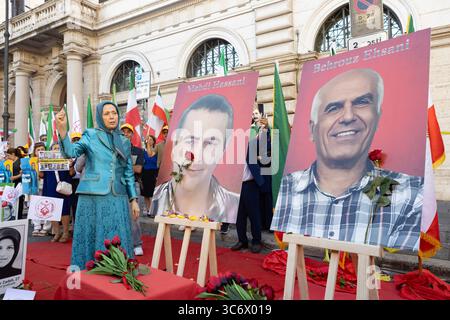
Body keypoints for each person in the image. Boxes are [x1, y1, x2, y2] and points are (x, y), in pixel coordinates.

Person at [271, 68, 423, 250]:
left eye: (361, 102)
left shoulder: (412, 196)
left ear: (377, 117)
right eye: (333, 108)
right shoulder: (286, 189)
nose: (349, 117)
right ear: (312, 129)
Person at [55, 101, 139, 269]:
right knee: (92, 234)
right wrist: (63, 131)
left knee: (116, 234)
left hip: (118, 195)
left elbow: (128, 172)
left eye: (114, 113)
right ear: (100, 117)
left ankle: (116, 268)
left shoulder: (124, 141)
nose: (111, 116)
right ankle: (91, 268)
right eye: (107, 113)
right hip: (92, 195)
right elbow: (70, 153)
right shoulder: (90, 135)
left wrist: (133, 199)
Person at [149, 94, 240, 223]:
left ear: (223, 150)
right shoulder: (158, 199)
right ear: (175, 145)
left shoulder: (233, 206)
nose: (196, 156)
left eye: (209, 143)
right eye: (190, 140)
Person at [231, 114, 272, 253]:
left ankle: (256, 241)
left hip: (250, 184)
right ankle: (242, 240)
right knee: (239, 216)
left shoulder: (252, 142)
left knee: (254, 214)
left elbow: (263, 141)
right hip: (236, 186)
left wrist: (265, 128)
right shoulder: (232, 146)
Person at [120, 123, 145, 256]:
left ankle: (137, 244)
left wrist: (124, 166)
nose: (125, 133)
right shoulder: (115, 150)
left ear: (132, 134)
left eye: (128, 131)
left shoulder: (138, 151)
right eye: (123, 131)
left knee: (134, 216)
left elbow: (138, 169)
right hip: (118, 186)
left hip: (133, 186)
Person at [41, 143, 73, 243]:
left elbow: (72, 174)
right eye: (54, 148)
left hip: (63, 187)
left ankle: (66, 232)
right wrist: (39, 164)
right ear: (50, 151)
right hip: (49, 186)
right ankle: (57, 232)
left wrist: (71, 165)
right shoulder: (46, 160)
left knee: (64, 209)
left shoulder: (66, 159)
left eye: (59, 148)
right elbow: (41, 175)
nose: (56, 150)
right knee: (52, 209)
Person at [30, 142, 51, 237]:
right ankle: (36, 226)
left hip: (46, 185)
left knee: (47, 205)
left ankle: (46, 227)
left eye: (42, 149)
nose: (40, 151)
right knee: (35, 205)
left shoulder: (49, 161)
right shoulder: (30, 161)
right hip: (34, 186)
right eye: (38, 150)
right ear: (34, 152)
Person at [141, 135, 159, 218]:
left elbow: (150, 155)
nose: (149, 141)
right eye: (148, 139)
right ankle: (148, 210)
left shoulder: (155, 150)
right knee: (146, 193)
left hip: (153, 173)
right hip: (145, 173)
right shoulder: (143, 151)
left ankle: (153, 210)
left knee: (152, 193)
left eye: (151, 139)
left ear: (154, 141)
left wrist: (148, 145)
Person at [6, 148, 25, 220]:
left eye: (8, 155)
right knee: (13, 200)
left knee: (19, 201)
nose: (8, 157)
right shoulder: (11, 162)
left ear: (13, 154)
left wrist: (15, 177)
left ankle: (19, 217)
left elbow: (23, 173)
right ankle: (14, 216)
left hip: (19, 183)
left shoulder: (20, 161)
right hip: (13, 183)